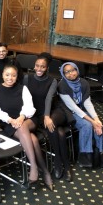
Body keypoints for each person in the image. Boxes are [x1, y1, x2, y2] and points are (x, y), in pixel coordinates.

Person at [0, 64, 53, 190]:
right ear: (2, 75)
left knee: (23, 126)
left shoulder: (23, 88)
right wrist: (10, 120)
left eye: (13, 75)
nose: (10, 78)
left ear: (17, 76)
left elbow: (30, 107)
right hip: (9, 123)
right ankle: (45, 172)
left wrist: (21, 117)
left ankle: (34, 167)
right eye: (7, 75)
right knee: (33, 139)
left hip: (28, 119)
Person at [24, 53, 73, 181]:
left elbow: (48, 100)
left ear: (47, 68)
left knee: (50, 124)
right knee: (60, 133)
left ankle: (57, 163)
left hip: (54, 111)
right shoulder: (27, 78)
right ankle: (66, 165)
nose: (39, 69)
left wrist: (47, 116)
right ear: (34, 66)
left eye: (43, 67)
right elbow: (23, 98)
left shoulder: (52, 81)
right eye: (37, 66)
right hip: (38, 114)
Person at [58, 62, 103, 169]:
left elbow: (87, 103)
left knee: (99, 125)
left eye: (73, 70)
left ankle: (101, 155)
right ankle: (85, 155)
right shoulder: (62, 85)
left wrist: (96, 119)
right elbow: (73, 107)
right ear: (63, 74)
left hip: (81, 110)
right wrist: (92, 121)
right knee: (87, 125)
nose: (71, 74)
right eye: (67, 72)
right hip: (68, 113)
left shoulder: (84, 83)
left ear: (77, 70)